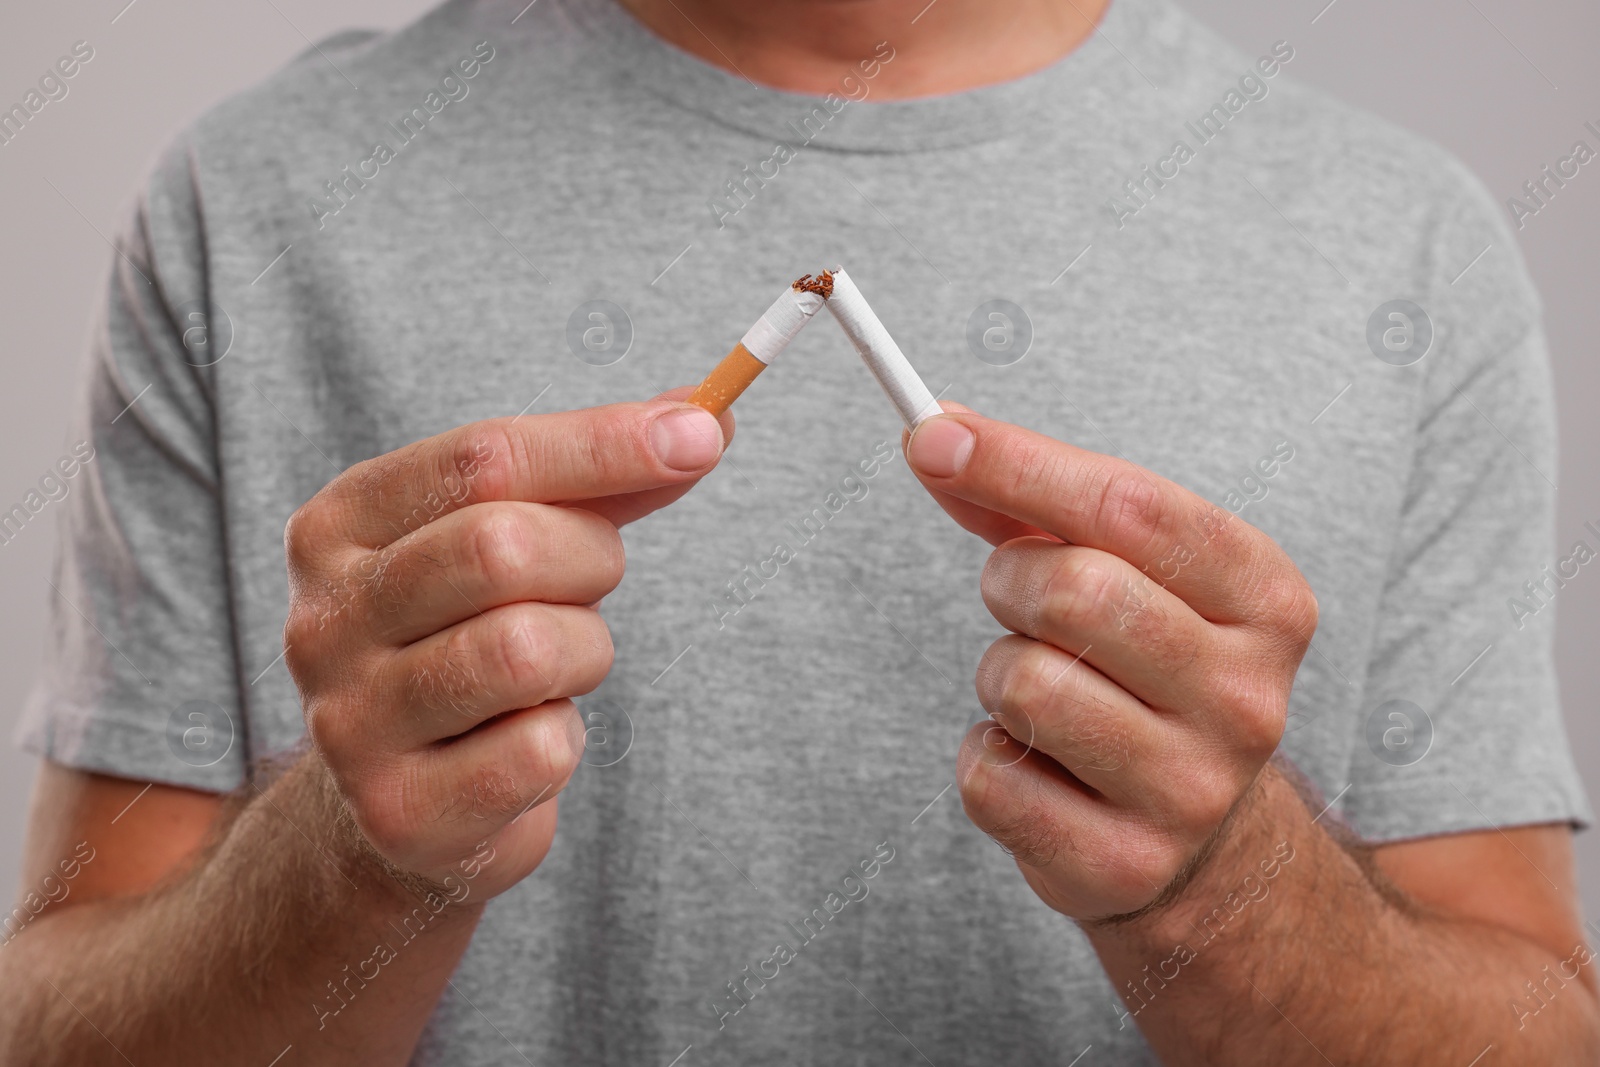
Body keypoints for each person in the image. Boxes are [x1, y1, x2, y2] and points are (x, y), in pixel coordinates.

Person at [3, 0, 1595, 1062]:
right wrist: (358, 864)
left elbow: (1538, 1021)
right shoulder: (259, 201)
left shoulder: (1405, 245)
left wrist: (1224, 891)